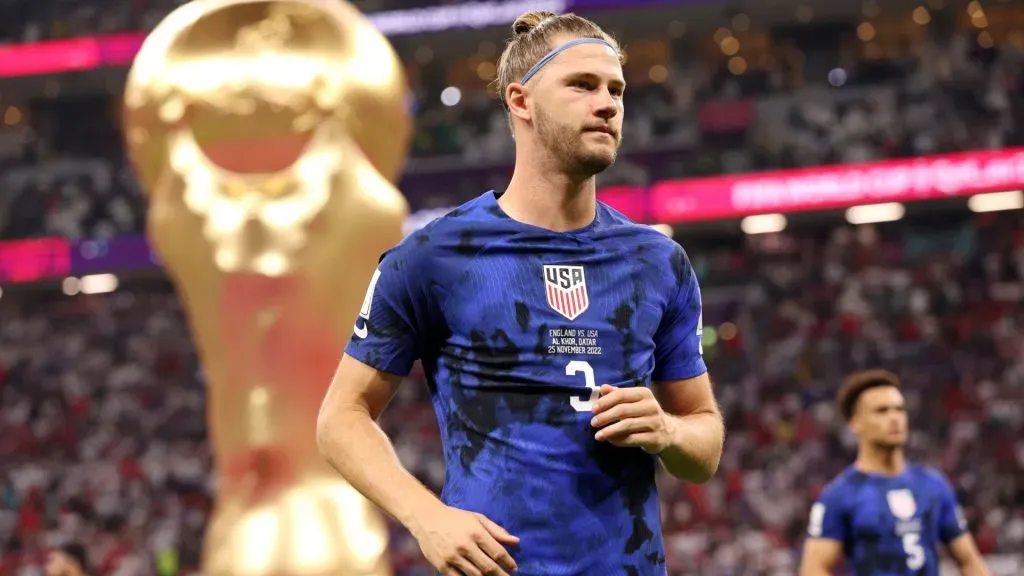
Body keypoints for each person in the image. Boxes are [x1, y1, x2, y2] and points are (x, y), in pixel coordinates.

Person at [317, 10, 724, 576]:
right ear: (520, 101)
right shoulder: (434, 256)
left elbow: (704, 447)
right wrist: (425, 516)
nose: (607, 104)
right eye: (582, 85)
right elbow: (340, 418)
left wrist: (669, 430)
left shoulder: (657, 261)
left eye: (616, 90)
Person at [800, 370, 989, 576]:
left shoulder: (933, 485)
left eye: (899, 409)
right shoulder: (839, 495)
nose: (895, 418)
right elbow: (814, 568)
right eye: (881, 411)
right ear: (855, 423)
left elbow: (969, 561)